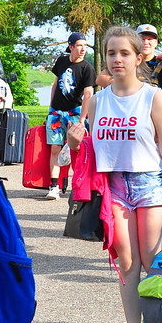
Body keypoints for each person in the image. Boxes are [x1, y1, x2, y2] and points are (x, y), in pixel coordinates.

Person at [67, 26, 162, 323]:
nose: (117, 59)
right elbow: (90, 153)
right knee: (126, 263)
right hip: (114, 188)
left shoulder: (153, 97)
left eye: (124, 53)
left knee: (153, 261)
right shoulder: (97, 102)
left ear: (139, 57)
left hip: (151, 184)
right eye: (111, 53)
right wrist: (77, 143)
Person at [46, 31, 96, 200]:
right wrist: (50, 108)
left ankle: (78, 185)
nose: (83, 49)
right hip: (56, 111)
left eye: (85, 46)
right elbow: (55, 84)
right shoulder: (61, 61)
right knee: (55, 148)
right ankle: (54, 186)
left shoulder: (87, 68)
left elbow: (88, 94)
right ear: (71, 46)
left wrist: (82, 119)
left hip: (74, 112)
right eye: (79, 45)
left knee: (77, 150)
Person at [96, 23, 162, 94]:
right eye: (142, 39)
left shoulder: (161, 64)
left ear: (156, 42)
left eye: (150, 39)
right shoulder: (127, 61)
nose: (146, 42)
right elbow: (100, 79)